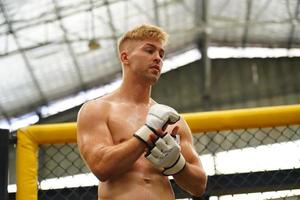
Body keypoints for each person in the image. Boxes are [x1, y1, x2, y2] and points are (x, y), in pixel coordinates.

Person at [76, 24, 207, 200]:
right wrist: (148, 133)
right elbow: (101, 167)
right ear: (125, 57)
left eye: (161, 54)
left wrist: (177, 164)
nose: (157, 58)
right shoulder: (97, 109)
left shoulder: (172, 119)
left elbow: (199, 185)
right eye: (149, 50)